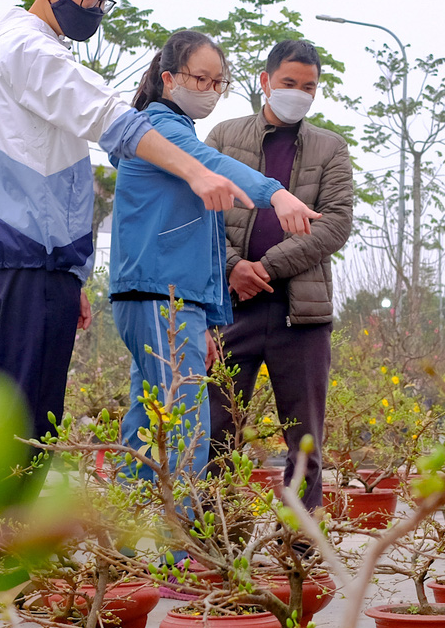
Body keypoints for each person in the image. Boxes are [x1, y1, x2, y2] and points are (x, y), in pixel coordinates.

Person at [0, 0, 251, 468]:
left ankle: (5, 532)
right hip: (28, 254)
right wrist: (194, 170)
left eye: (103, 0)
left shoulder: (36, 50)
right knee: (22, 412)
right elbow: (110, 119)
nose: (95, 8)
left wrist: (71, 272)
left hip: (43, 260)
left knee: (34, 406)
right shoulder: (29, 50)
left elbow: (57, 170)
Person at [110, 30, 319, 481]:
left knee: (150, 423)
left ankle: (131, 539)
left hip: (167, 297)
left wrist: (204, 318)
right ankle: (174, 549)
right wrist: (275, 194)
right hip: (157, 295)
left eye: (217, 82)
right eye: (198, 79)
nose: (209, 90)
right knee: (185, 428)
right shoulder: (159, 130)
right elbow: (214, 166)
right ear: (168, 79)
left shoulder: (173, 130)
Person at [206, 39, 355, 510]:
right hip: (231, 308)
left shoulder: (331, 147)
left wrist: (264, 268)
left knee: (306, 439)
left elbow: (335, 223)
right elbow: (197, 216)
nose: (299, 93)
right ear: (265, 81)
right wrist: (233, 267)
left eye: (309, 86)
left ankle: (300, 542)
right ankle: (216, 533)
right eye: (289, 83)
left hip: (302, 315)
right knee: (216, 429)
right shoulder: (224, 137)